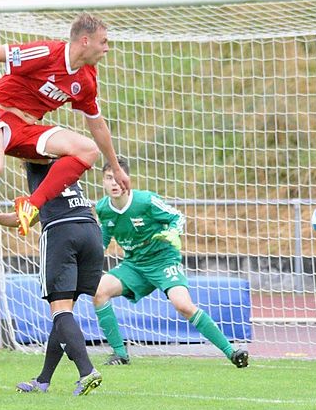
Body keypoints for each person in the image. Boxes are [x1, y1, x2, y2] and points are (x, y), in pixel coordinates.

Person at [0, 12, 131, 249]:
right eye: (104, 42)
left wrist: (117, 168)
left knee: (87, 150)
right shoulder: (47, 53)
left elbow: (97, 124)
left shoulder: (87, 79)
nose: (107, 48)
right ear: (85, 41)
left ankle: (31, 205)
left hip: (27, 129)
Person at [92, 156, 249, 369]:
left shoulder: (145, 201)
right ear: (102, 181)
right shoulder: (103, 208)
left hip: (163, 260)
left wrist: (171, 233)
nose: (114, 183)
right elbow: (102, 239)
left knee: (183, 305)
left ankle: (232, 352)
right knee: (99, 291)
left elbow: (177, 217)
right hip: (134, 265)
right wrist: (88, 259)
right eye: (108, 178)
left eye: (118, 178)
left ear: (127, 180)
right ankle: (120, 353)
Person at [0, 160, 103, 396]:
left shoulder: (37, 163)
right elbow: (29, 216)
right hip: (90, 232)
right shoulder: (64, 167)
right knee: (63, 315)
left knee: (61, 312)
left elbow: (32, 212)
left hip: (62, 234)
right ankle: (42, 381)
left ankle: (87, 371)